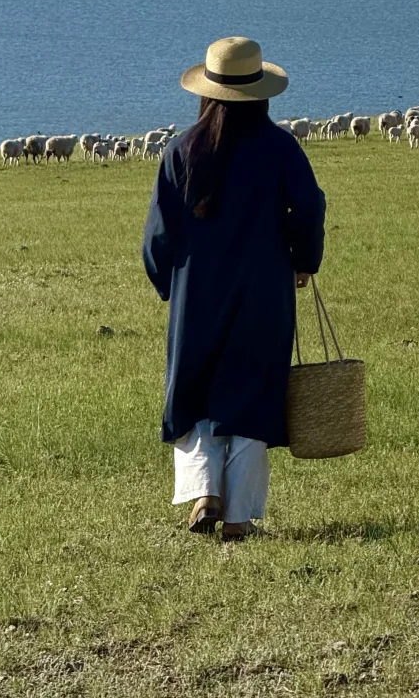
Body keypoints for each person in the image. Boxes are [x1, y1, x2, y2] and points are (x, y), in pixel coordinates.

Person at [142, 36, 326, 542]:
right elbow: (309, 208)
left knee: (196, 390)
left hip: (196, 291)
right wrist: (304, 261)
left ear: (206, 91)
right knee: (252, 392)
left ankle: (204, 492)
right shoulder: (281, 148)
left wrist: (165, 280)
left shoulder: (181, 149)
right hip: (263, 290)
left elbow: (159, 232)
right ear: (261, 93)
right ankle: (239, 518)